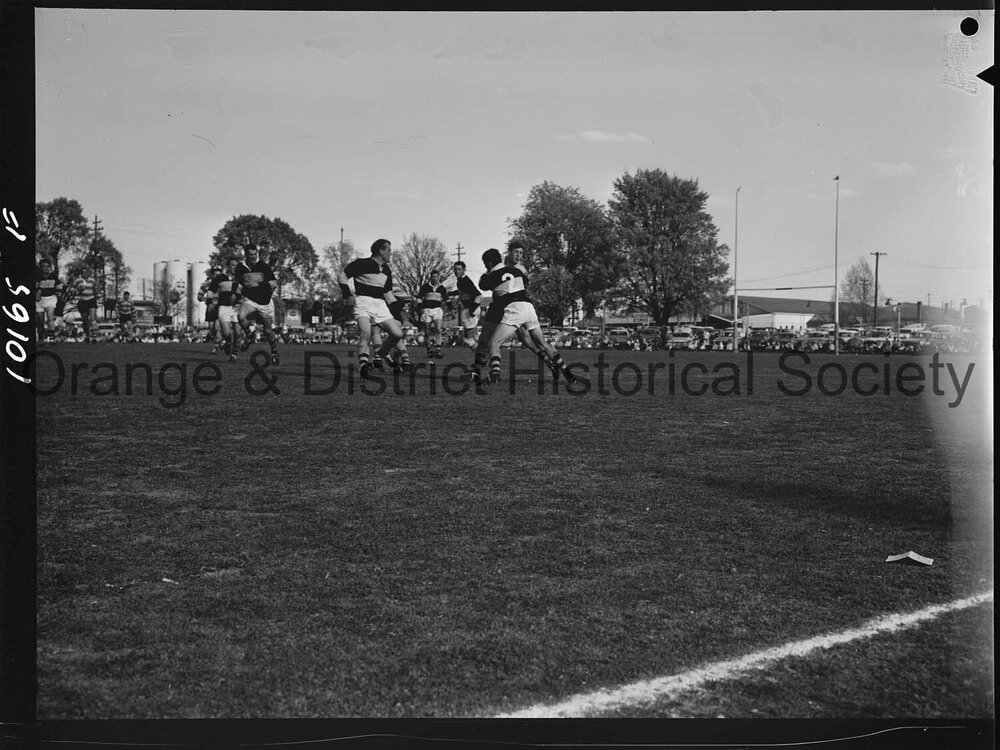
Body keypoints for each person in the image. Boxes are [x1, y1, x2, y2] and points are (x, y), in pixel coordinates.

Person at [481, 241, 577, 385]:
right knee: (538, 342)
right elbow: (522, 284)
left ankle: (494, 374)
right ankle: (567, 374)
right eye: (516, 252)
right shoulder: (516, 270)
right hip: (526, 307)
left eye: (521, 253)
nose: (519, 256)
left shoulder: (506, 270)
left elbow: (485, 284)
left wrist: (490, 275)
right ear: (509, 252)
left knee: (495, 342)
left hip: (513, 308)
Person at [338, 238, 411, 380]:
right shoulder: (362, 264)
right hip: (363, 302)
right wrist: (347, 294)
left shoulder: (387, 270)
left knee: (397, 334)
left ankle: (380, 354)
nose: (390, 253)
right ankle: (364, 366)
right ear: (381, 251)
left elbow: (387, 292)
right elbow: (343, 275)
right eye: (388, 250)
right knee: (365, 333)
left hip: (380, 305)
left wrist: (397, 308)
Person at [234, 245, 280, 365]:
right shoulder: (241, 268)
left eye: (255, 254)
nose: (253, 257)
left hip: (265, 303)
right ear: (246, 255)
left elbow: (274, 282)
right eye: (251, 254)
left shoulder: (263, 266)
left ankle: (274, 352)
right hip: (251, 300)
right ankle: (250, 335)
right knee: (240, 316)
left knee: (268, 331)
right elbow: (238, 284)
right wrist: (237, 295)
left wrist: (263, 286)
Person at [207, 257, 243, 361]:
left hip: (237, 308)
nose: (235, 267)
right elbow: (211, 290)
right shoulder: (220, 278)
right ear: (228, 266)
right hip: (224, 307)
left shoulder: (241, 279)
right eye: (233, 265)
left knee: (238, 334)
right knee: (227, 333)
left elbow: (247, 292)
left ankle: (234, 355)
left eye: (237, 266)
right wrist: (209, 302)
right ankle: (228, 342)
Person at [446, 260, 481, 351]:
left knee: (468, 339)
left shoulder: (465, 281)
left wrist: (472, 309)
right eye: (455, 269)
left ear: (464, 270)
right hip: (468, 309)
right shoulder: (460, 281)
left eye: (459, 269)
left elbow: (479, 295)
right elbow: (462, 292)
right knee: (474, 337)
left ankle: (483, 354)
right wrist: (451, 293)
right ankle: (483, 354)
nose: (456, 271)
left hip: (471, 310)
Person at [417, 269, 448, 360]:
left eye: (436, 277)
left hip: (437, 310)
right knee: (427, 332)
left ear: (439, 277)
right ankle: (429, 349)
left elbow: (446, 299)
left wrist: (450, 308)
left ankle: (438, 350)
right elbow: (419, 298)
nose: (435, 279)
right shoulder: (425, 287)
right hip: (427, 310)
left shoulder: (442, 288)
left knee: (438, 329)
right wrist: (420, 308)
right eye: (433, 277)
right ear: (430, 277)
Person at [35, 257, 62, 342]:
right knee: (40, 321)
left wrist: (59, 292)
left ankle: (52, 338)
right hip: (40, 300)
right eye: (44, 266)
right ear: (41, 267)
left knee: (50, 318)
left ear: (50, 267)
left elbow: (58, 286)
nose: (46, 268)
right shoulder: (37, 276)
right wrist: (37, 293)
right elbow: (35, 288)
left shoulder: (53, 276)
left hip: (50, 298)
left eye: (48, 266)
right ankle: (41, 339)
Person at [198, 265, 223, 354]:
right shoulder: (207, 284)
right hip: (210, 309)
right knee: (212, 329)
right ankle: (218, 343)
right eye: (215, 275)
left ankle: (216, 347)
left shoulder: (223, 284)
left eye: (219, 275)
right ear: (212, 275)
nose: (217, 276)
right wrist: (207, 301)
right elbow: (199, 296)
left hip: (220, 308)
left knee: (217, 327)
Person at [73, 268, 99, 343]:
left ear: (88, 273)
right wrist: (79, 289)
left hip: (91, 300)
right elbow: (74, 291)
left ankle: (94, 337)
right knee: (85, 320)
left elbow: (96, 289)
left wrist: (96, 291)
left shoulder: (92, 280)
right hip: (82, 301)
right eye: (83, 272)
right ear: (81, 273)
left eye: (86, 272)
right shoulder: (77, 281)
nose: (85, 273)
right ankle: (87, 335)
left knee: (93, 319)